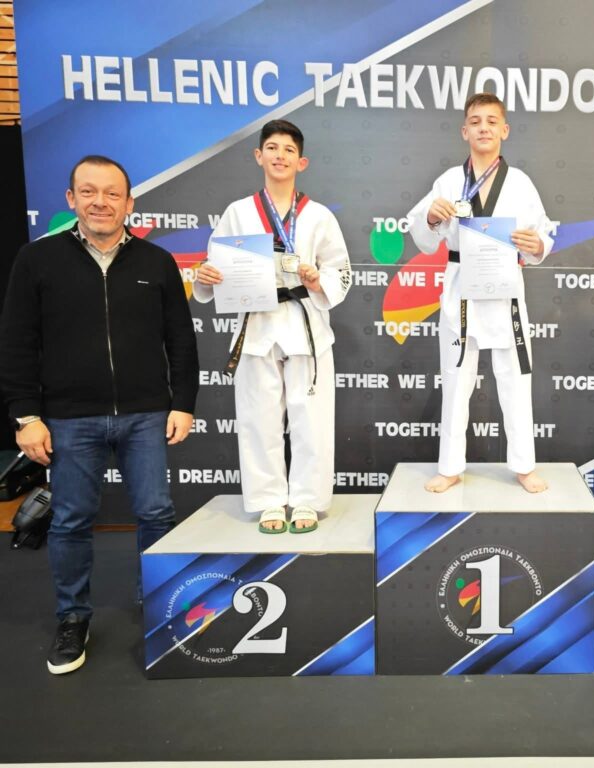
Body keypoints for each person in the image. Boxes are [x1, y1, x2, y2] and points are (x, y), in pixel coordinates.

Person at [0, 155, 199, 674]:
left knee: (156, 514)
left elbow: (180, 339)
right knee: (70, 521)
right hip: (69, 417)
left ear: (130, 203)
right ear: (71, 199)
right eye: (88, 192)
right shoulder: (36, 259)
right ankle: (73, 618)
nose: (101, 202)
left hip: (145, 414)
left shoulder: (156, 262)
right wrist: (25, 416)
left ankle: (160, 605)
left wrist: (182, 403)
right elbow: (17, 342)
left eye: (112, 193)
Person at [194, 120, 352, 534]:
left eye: (288, 150)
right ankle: (268, 501)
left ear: (301, 162)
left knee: (311, 418)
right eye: (272, 148)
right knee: (257, 418)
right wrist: (206, 276)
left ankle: (307, 500)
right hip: (256, 324)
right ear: (258, 156)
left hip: (305, 323)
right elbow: (214, 267)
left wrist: (318, 279)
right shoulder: (238, 212)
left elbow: (341, 270)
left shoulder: (318, 215)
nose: (280, 155)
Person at [408, 93, 554, 494]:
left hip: (506, 288)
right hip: (461, 287)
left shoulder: (521, 183)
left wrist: (538, 245)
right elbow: (423, 238)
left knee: (515, 378)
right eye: (475, 121)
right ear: (464, 131)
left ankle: (523, 465)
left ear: (504, 130)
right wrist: (430, 218)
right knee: (456, 379)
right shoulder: (448, 182)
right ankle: (450, 466)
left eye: (491, 121)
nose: (483, 128)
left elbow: (543, 235)